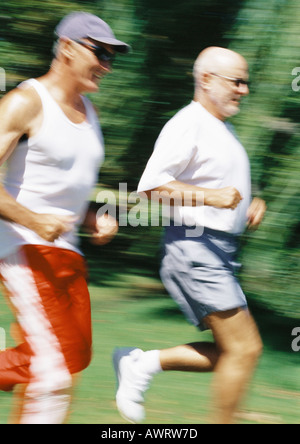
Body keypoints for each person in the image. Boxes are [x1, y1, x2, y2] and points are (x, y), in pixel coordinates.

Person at [113, 47, 266, 425]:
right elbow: (151, 186)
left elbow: (215, 180)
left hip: (219, 248)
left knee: (232, 352)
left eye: (246, 82)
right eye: (237, 81)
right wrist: (212, 197)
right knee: (245, 350)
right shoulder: (189, 122)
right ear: (207, 79)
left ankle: (141, 364)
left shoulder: (220, 128)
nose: (244, 90)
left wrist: (250, 202)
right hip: (196, 246)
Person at [0, 11, 129, 424]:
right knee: (53, 375)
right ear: (68, 48)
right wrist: (33, 220)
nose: (107, 65)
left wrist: (92, 218)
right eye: (100, 53)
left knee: (74, 355)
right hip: (21, 245)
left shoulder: (90, 113)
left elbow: (61, 190)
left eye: (113, 57)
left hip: (66, 252)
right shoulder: (25, 102)